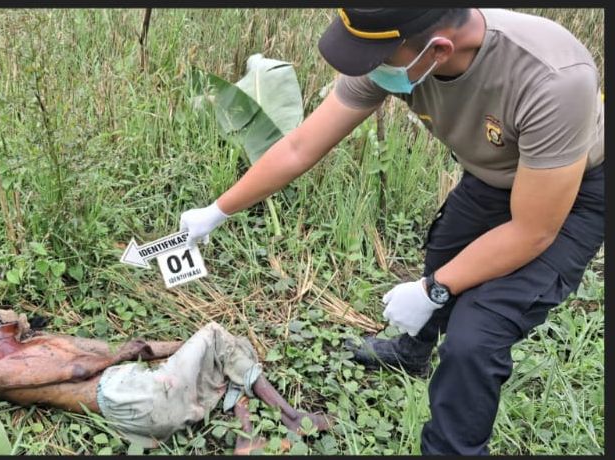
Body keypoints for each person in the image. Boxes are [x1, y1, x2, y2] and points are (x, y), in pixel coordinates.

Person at [179, 8, 603, 455]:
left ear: (438, 51)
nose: (368, 68)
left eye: (377, 59)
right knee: (444, 251)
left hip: (571, 194)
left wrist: (435, 288)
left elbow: (532, 230)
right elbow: (301, 146)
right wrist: (218, 210)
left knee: (475, 337)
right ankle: (412, 352)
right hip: (492, 176)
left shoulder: (552, 80)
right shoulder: (395, 51)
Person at [0, 308, 331, 454]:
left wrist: (191, 346)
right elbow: (79, 371)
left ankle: (248, 439)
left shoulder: (43, 341)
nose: (5, 312)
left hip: (137, 383)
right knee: (219, 339)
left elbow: (128, 349)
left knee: (227, 349)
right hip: (125, 397)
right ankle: (291, 416)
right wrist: (121, 356)